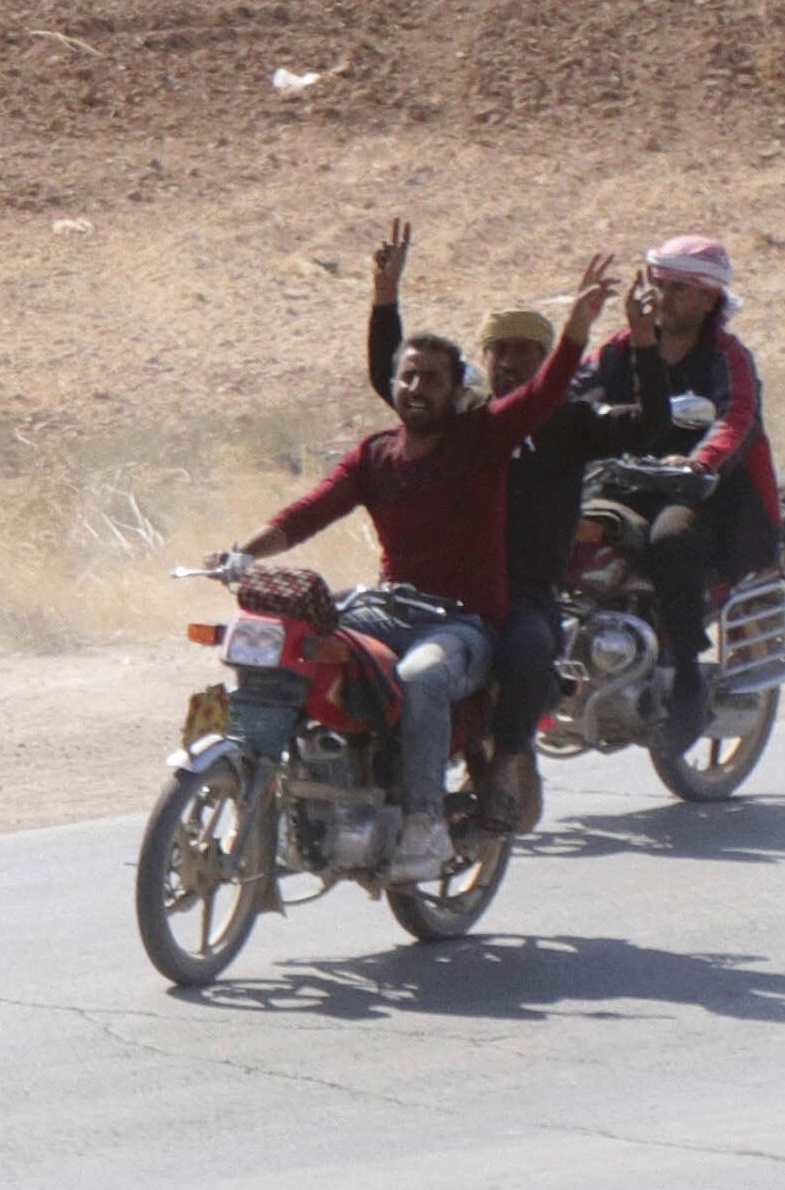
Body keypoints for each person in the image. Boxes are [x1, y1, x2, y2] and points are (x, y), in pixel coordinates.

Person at [231, 245, 620, 877]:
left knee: (422, 678)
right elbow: (308, 512)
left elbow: (544, 395)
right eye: (407, 378)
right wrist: (243, 552)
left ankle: (423, 823)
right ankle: (282, 793)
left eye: (431, 379)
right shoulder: (375, 455)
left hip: (461, 624)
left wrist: (577, 329)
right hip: (385, 609)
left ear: (457, 389)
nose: (415, 388)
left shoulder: (482, 441)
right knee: (296, 645)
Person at [366, 224, 592, 828]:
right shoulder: (462, 423)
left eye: (526, 351)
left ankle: (510, 762)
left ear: (545, 363)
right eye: (501, 350)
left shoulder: (564, 422)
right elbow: (393, 379)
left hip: (522, 588)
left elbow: (645, 423)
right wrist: (386, 297)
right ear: (484, 360)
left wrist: (626, 342)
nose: (513, 361)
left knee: (526, 647)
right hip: (443, 589)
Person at [566, 231, 785, 740]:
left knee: (670, 540)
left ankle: (685, 670)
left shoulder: (726, 357)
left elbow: (735, 419)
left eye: (676, 290)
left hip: (705, 493)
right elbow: (569, 397)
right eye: (658, 285)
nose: (661, 299)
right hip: (624, 485)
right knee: (567, 531)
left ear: (709, 298)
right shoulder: (619, 350)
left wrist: (699, 463)